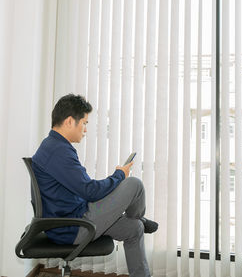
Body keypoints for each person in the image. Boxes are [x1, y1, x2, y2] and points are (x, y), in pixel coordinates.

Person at [31, 94, 157, 277]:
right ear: (69, 121)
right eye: (84, 123)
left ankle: (138, 223)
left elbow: (84, 189)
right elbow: (89, 190)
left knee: (134, 229)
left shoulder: (55, 146)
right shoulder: (57, 151)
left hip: (77, 217)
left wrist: (114, 181)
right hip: (73, 227)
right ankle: (139, 217)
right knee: (134, 184)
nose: (85, 129)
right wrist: (120, 175)